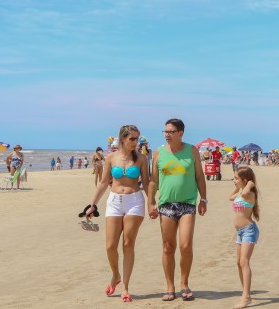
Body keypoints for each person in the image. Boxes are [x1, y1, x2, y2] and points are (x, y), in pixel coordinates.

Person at [84, 124, 150, 303]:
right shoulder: (111, 158)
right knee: (110, 246)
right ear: (122, 139)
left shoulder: (142, 159)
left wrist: (152, 203)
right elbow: (104, 182)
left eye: (137, 138)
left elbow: (146, 182)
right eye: (132, 139)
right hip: (114, 202)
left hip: (135, 202)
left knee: (128, 244)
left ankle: (125, 287)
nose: (136, 142)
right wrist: (92, 205)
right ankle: (115, 275)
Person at [147, 118, 208, 302]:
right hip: (166, 205)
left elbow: (199, 176)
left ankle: (184, 284)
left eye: (171, 132)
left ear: (181, 133)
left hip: (187, 204)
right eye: (165, 131)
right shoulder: (158, 153)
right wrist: (150, 202)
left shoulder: (192, 151)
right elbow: (153, 180)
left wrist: (203, 199)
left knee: (185, 245)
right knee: (168, 247)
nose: (167, 135)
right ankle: (169, 286)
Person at [229, 166, 260, 309]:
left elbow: (247, 190)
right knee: (238, 262)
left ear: (244, 180)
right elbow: (230, 197)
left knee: (244, 262)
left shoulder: (249, 194)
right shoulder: (241, 193)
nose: (233, 180)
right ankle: (245, 292)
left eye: (236, 178)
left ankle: (246, 297)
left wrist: (250, 183)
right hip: (240, 232)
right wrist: (238, 187)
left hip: (249, 230)